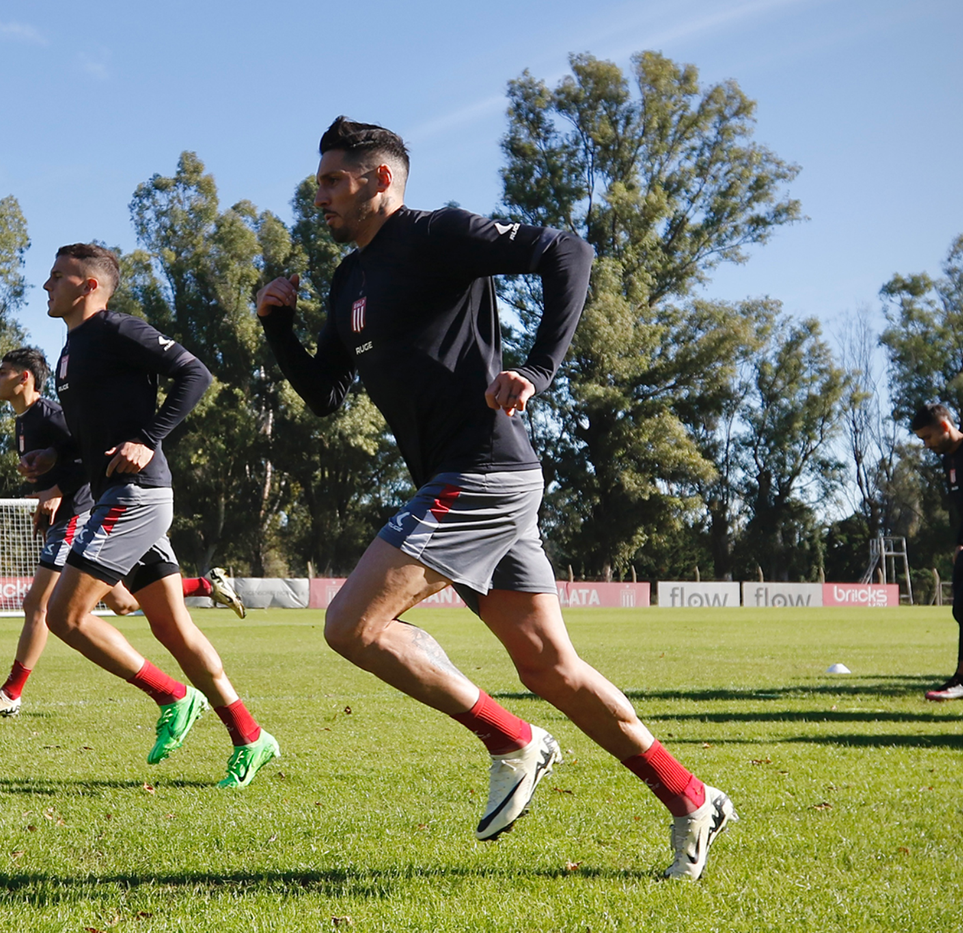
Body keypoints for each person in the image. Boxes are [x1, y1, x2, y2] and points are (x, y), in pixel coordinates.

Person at [256, 117, 734, 879]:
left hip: (482, 470)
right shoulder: (349, 280)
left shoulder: (436, 234)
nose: (319, 197)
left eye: (332, 181)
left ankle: (512, 737)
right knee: (553, 668)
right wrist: (278, 327)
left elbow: (567, 252)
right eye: (319, 182)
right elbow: (324, 392)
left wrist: (540, 368)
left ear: (380, 179)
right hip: (469, 479)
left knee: (350, 623)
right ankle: (690, 795)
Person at [32, 243, 278, 787]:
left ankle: (172, 697)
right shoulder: (70, 352)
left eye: (56, 277)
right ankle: (251, 737)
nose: (45, 286)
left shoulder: (118, 330)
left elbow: (195, 373)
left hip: (135, 494)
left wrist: (146, 439)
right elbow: (92, 430)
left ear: (87, 285)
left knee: (63, 616)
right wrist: (56, 461)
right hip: (115, 496)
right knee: (170, 625)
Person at [0, 348, 248, 718]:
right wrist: (45, 492)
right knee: (123, 604)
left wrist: (56, 491)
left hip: (80, 517)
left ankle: (11, 693)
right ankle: (205, 586)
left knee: (38, 605)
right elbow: (64, 462)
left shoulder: (50, 414)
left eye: (2, 371)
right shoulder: (23, 421)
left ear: (24, 378)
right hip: (68, 518)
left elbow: (90, 455)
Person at [912, 402, 963, 701]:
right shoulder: (948, 461)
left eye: (928, 437)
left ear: (945, 426)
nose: (926, 444)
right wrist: (960, 543)